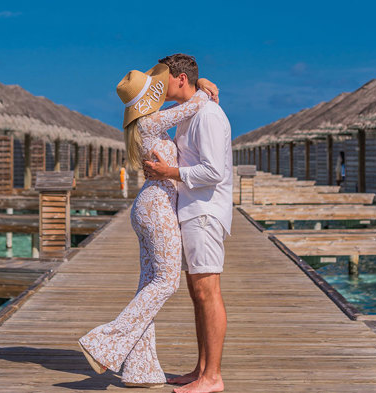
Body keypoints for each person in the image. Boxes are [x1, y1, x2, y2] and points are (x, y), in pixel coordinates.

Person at [78, 62, 218, 388]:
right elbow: (196, 103)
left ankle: (141, 368)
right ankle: (104, 342)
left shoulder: (142, 124)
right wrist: (204, 83)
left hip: (147, 206)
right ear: (148, 100)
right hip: (157, 207)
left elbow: (182, 104)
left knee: (148, 285)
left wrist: (201, 81)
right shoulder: (154, 122)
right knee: (166, 284)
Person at [144, 53, 232, 393]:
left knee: (208, 292)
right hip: (192, 210)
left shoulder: (207, 115)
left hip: (206, 212)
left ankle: (214, 377)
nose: (157, 85)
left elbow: (214, 171)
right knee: (198, 294)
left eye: (163, 78)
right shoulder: (192, 111)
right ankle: (202, 369)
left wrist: (167, 172)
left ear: (180, 78)